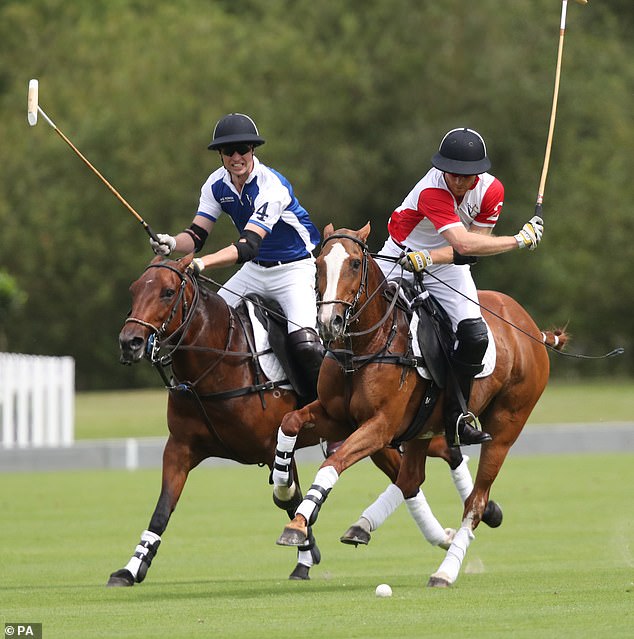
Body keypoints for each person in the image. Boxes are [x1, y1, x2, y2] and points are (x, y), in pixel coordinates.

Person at [376, 127, 543, 447]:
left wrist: (430, 257)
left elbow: (472, 248)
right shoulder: (431, 191)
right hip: (397, 256)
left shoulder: (492, 192)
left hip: (444, 264)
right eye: (452, 173)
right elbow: (464, 242)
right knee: (358, 317)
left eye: (467, 175)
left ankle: (457, 414)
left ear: (479, 173)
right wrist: (518, 240)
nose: (459, 181)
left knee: (473, 334)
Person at [149, 112, 323, 402]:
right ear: (220, 154)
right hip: (256, 271)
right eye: (229, 151)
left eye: (243, 149)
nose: (236, 156)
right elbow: (195, 236)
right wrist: (170, 242)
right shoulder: (216, 185)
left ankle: (328, 410)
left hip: (294, 270)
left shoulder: (272, 187)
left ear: (253, 150)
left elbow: (248, 246)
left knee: (304, 344)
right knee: (205, 324)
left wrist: (202, 264)